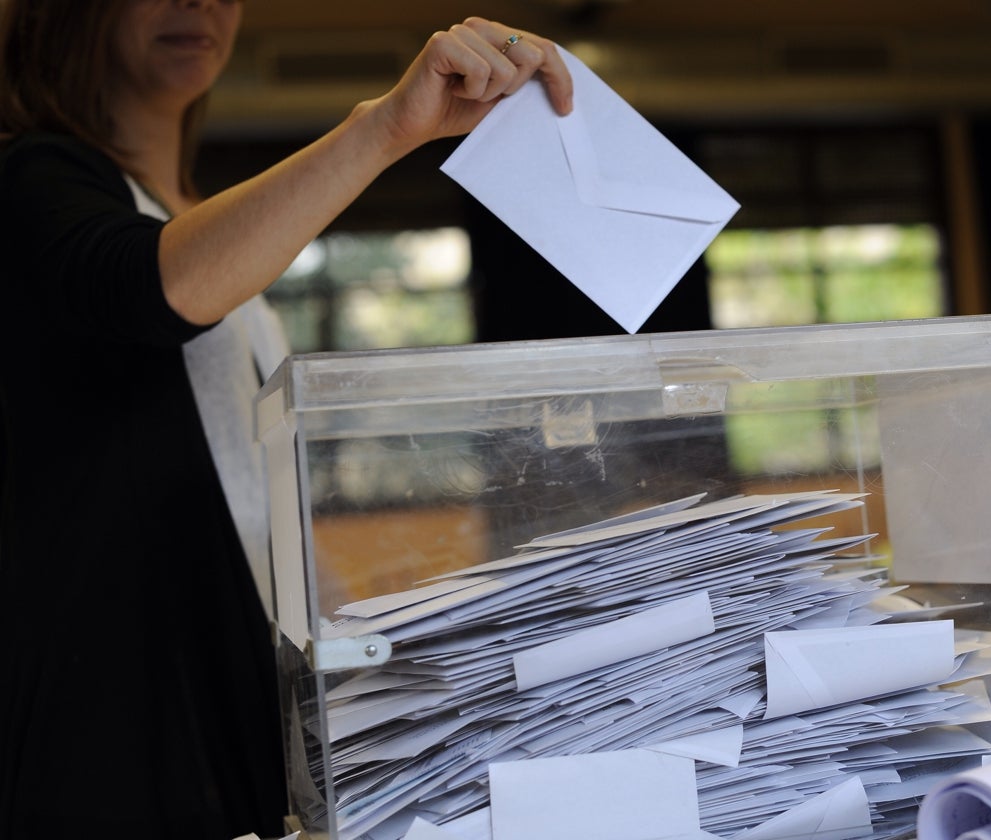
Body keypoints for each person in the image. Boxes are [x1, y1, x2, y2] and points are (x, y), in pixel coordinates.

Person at [0, 2, 572, 838]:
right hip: (112, 744)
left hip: (228, 723)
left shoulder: (187, 214)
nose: (198, 3)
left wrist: (387, 648)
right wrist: (381, 130)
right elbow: (148, 286)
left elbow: (256, 505)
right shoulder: (30, 177)